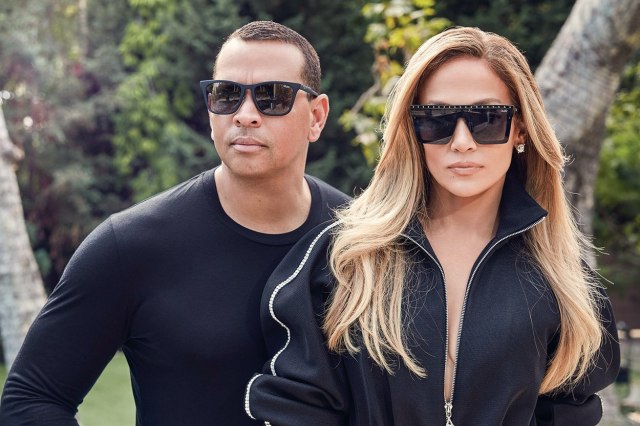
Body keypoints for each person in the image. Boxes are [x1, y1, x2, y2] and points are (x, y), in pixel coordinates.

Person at [245, 26, 620, 425]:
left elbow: (567, 411)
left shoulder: (561, 277)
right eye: (437, 119)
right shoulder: (343, 260)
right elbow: (295, 407)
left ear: (520, 128)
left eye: (487, 119)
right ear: (413, 129)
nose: (461, 142)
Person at [0, 21, 349, 425]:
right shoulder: (130, 246)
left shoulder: (360, 241)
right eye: (227, 94)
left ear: (316, 116)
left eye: (272, 97)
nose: (245, 115)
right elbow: (31, 399)